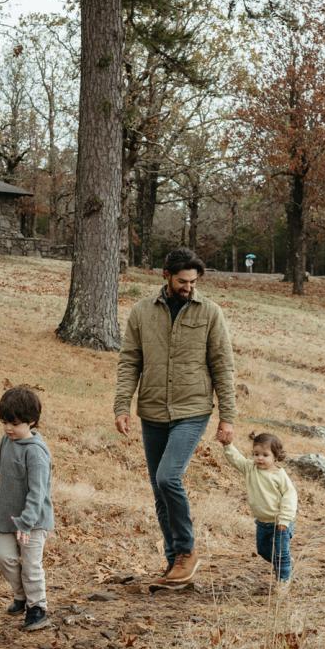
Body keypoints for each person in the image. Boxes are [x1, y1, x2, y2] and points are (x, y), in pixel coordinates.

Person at [114, 247, 237, 587]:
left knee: (169, 478)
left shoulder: (210, 313)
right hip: (152, 410)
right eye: (182, 281)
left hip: (192, 409)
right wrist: (121, 405)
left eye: (193, 281)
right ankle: (174, 566)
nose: (188, 287)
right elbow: (129, 362)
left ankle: (186, 551)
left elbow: (223, 367)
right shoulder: (141, 312)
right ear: (165, 276)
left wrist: (228, 417)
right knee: (158, 489)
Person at [0, 386, 53, 633]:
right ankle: (21, 596)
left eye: (15, 423)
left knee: (31, 565)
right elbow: (6, 469)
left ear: (31, 421)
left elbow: (37, 492)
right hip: (9, 517)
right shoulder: (7, 441)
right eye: (5, 422)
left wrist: (27, 522)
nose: (9, 428)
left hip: (33, 521)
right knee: (3, 557)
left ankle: (37, 608)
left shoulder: (35, 452)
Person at [221, 431, 297, 584]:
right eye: (256, 454)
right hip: (262, 522)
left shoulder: (279, 475)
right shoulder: (250, 468)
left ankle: (283, 582)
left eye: (265, 455)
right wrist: (228, 445)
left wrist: (284, 520)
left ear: (276, 456)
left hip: (280, 523)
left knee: (281, 555)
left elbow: (290, 497)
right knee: (263, 550)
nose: (259, 458)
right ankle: (287, 563)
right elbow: (236, 459)